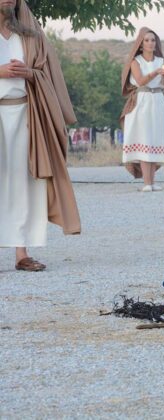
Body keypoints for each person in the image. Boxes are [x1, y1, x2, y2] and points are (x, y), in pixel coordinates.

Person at [0, 0, 80, 271]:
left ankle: (22, 253)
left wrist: (30, 73)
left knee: (25, 181)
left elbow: (47, 72)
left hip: (26, 113)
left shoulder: (30, 35)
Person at [120, 27, 164, 192]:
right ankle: (147, 183)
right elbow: (140, 81)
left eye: (153, 40)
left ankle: (152, 182)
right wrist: (156, 72)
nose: (150, 43)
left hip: (158, 100)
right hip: (142, 101)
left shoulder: (161, 61)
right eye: (146, 40)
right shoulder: (136, 61)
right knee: (144, 138)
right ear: (141, 44)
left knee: (155, 139)